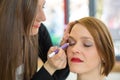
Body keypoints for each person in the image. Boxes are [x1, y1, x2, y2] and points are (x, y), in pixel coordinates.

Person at [0, 0, 68, 80]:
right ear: (10, 10)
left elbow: (56, 76)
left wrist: (66, 52)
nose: (43, 18)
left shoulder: (39, 31)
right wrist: (49, 67)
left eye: (43, 7)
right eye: (33, 9)